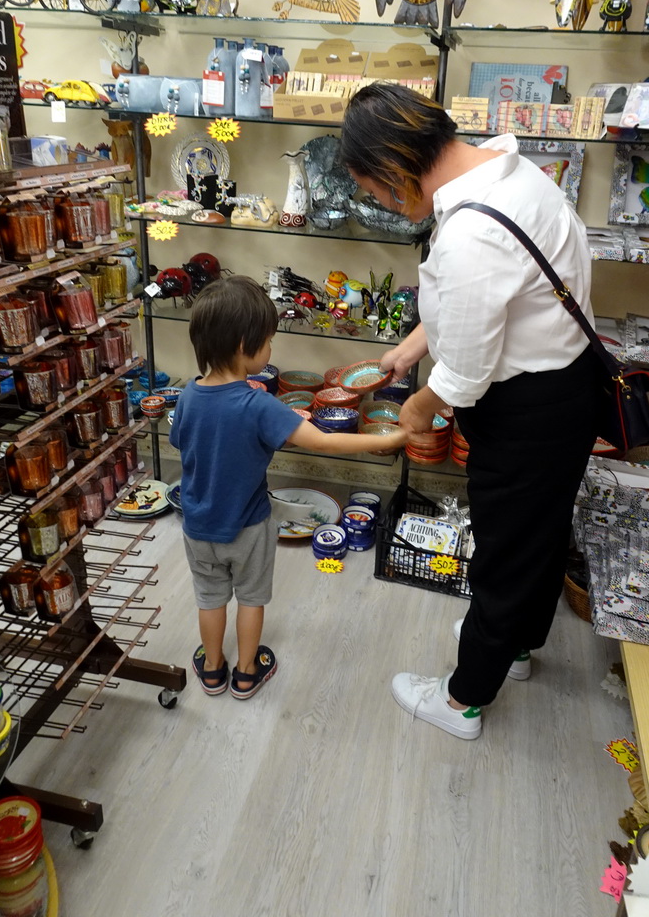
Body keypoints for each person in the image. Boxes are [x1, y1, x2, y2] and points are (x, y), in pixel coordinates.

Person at [340, 83, 600, 740]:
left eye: (377, 192)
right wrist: (408, 348)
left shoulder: (467, 234)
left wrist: (419, 409)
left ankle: (462, 700)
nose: (385, 205)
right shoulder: (514, 176)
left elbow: (466, 372)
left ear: (397, 169)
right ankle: (513, 647)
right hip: (568, 388)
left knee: (503, 555)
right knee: (537, 538)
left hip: (524, 409)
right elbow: (491, 301)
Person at [169, 275, 408, 699]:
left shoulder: (187, 395)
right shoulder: (258, 404)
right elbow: (324, 440)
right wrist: (388, 439)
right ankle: (245, 672)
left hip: (197, 525)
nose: (271, 348)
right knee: (250, 598)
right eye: (269, 340)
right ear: (245, 345)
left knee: (209, 598)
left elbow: (184, 443)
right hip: (248, 525)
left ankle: (211, 669)